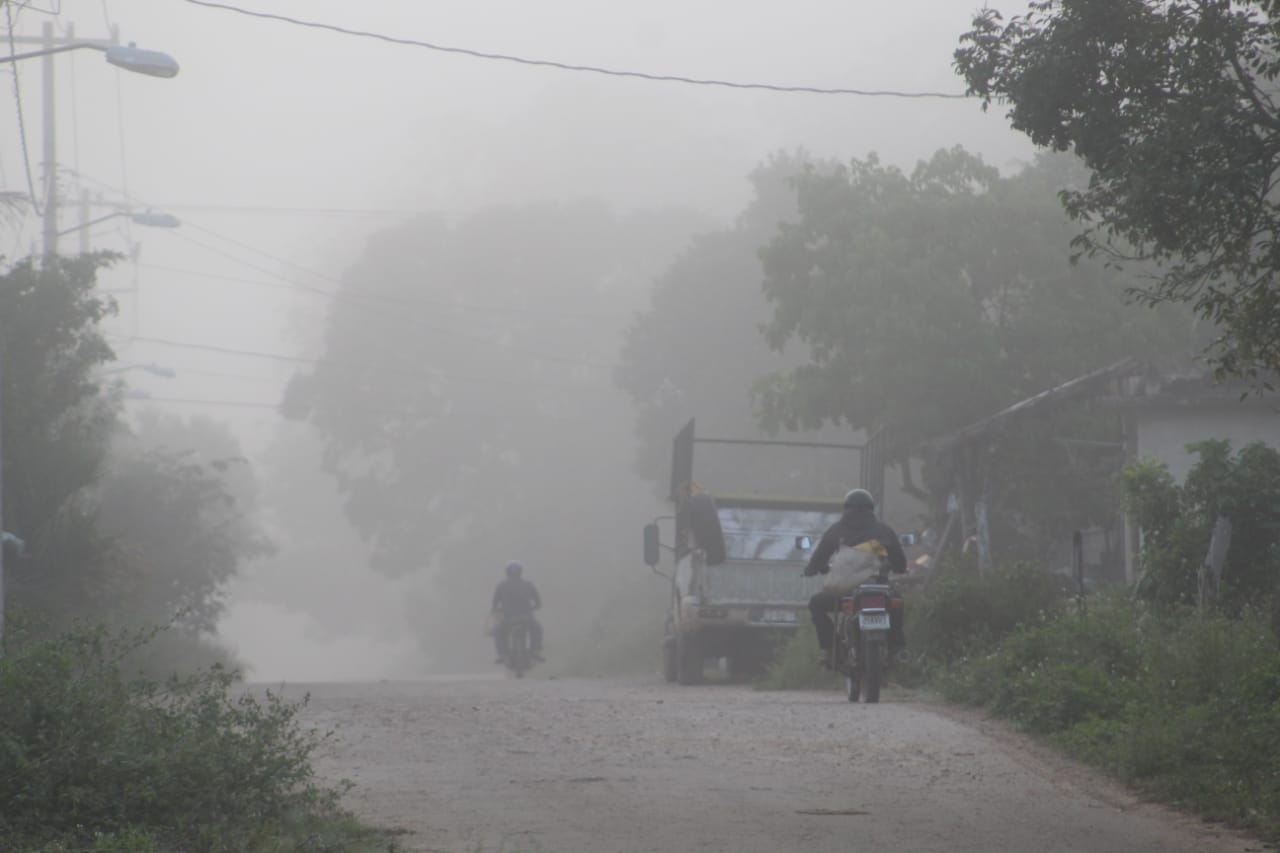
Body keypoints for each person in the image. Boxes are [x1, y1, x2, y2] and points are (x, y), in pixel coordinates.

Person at [802, 489, 907, 668]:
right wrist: (895, 568)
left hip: (846, 593)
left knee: (816, 604)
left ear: (846, 508)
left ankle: (830, 649)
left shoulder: (836, 530)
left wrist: (812, 569)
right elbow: (900, 564)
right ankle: (896, 650)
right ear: (871, 508)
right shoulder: (883, 530)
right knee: (896, 602)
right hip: (878, 591)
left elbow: (819, 558)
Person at [492, 560, 544, 664]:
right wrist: (534, 607)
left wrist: (496, 609)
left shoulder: (501, 585)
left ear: (507, 573)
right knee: (538, 629)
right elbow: (538, 602)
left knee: (498, 632)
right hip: (526, 618)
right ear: (521, 572)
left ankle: (503, 654)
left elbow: (495, 603)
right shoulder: (528, 584)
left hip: (508, 618)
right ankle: (534, 651)